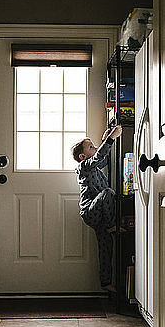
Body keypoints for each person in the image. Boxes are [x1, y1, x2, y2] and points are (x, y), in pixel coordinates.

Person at [71, 125, 122, 292]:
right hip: (91, 212)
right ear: (82, 156)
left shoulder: (92, 165)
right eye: (91, 147)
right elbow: (99, 156)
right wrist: (110, 139)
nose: (94, 148)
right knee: (108, 192)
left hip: (100, 213)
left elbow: (103, 158)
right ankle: (111, 225)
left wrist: (103, 142)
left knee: (106, 246)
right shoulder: (84, 166)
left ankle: (105, 283)